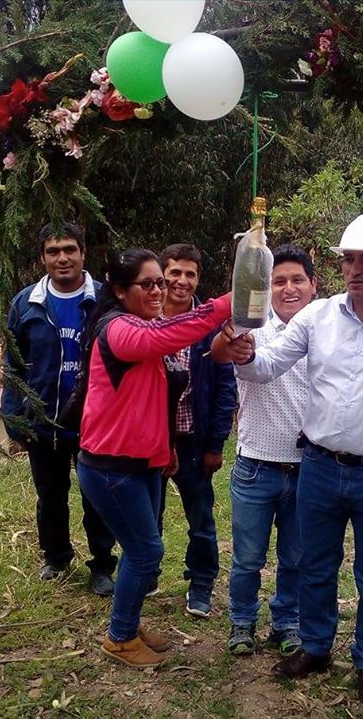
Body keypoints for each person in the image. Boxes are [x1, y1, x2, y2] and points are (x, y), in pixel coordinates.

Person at [217, 213, 363, 704]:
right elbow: (270, 367)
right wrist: (241, 354)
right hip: (319, 466)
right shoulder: (317, 316)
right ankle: (316, 647)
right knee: (314, 565)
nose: (355, 268)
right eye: (349, 259)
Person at [75, 248, 244, 668]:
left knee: (146, 548)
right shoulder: (119, 330)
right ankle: (119, 637)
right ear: (118, 289)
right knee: (145, 552)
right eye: (147, 284)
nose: (158, 291)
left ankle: (128, 625)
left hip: (141, 460)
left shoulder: (140, 323)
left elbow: (150, 401)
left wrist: (163, 448)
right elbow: (172, 334)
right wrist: (232, 299)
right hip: (113, 467)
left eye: (160, 283)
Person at [1, 222, 116, 596]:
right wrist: (15, 417)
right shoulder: (26, 303)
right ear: (42, 258)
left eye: (69, 249)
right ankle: (56, 557)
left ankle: (101, 565)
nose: (62, 258)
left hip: (95, 423)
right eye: (53, 251)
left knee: (97, 497)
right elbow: (13, 365)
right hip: (43, 423)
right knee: (50, 496)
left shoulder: (105, 299)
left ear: (83, 253)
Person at [222, 244, 316, 657]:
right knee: (247, 557)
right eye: (279, 280)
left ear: (314, 286)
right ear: (267, 286)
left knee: (296, 557)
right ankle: (242, 621)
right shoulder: (250, 326)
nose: (289, 288)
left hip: (309, 468)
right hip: (256, 465)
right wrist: (235, 348)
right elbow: (229, 355)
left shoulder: (329, 329)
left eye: (298, 280)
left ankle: (287, 621)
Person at [157, 243, 237, 618]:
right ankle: (146, 575)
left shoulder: (212, 326)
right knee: (147, 515)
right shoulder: (145, 320)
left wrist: (216, 444)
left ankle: (201, 583)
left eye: (190, 274)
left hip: (194, 441)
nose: (182, 281)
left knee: (201, 519)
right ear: (162, 276)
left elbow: (226, 389)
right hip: (151, 441)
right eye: (174, 273)